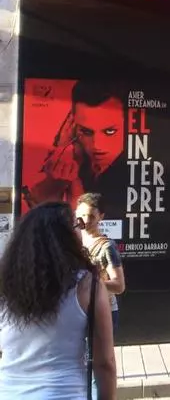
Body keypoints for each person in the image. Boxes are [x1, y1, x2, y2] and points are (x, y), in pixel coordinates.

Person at [0, 202, 117, 398]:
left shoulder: (6, 285)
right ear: (66, 236)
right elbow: (105, 363)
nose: (81, 230)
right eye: (77, 225)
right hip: (64, 393)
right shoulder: (88, 285)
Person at [24, 82, 127, 219]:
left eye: (110, 131)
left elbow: (82, 222)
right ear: (72, 125)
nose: (97, 145)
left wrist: (72, 181)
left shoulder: (130, 170)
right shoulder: (77, 158)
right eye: (86, 131)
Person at [76, 192, 126, 332]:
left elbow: (119, 286)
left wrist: (88, 283)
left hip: (101, 310)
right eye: (82, 215)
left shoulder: (106, 246)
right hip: (78, 309)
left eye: (91, 216)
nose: (86, 220)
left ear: (101, 217)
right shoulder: (74, 241)